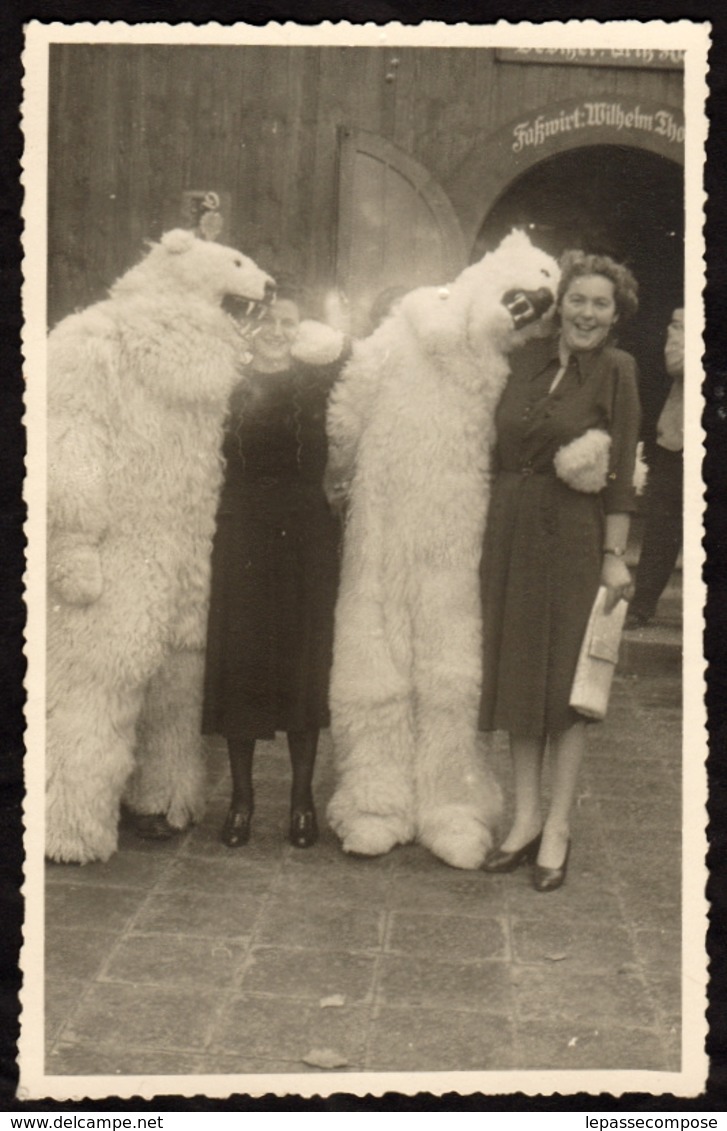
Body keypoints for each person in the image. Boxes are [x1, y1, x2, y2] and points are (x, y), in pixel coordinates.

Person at [479, 250, 641, 891]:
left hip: (575, 536)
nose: (588, 313)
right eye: (578, 300)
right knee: (521, 679)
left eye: (601, 304)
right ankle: (523, 821)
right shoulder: (522, 359)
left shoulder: (618, 371)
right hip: (511, 530)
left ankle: (558, 829)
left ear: (615, 313)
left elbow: (623, 468)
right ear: (560, 304)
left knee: (569, 689)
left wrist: (614, 555)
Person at [202, 287, 346, 849]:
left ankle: (301, 800)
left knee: (302, 665)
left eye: (291, 322)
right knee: (242, 663)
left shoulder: (322, 385)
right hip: (242, 532)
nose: (279, 331)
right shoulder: (228, 385)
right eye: (268, 320)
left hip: (306, 534)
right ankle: (241, 801)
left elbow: (356, 361)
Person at [627, 306, 684, 627]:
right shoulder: (685, 315)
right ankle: (642, 605)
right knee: (663, 527)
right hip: (679, 441)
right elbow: (676, 362)